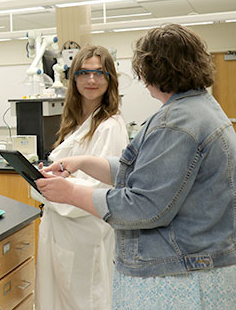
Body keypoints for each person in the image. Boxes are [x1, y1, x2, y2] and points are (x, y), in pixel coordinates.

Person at [37, 24, 236, 309]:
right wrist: (83, 162)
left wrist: (68, 193)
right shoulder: (196, 109)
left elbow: (143, 205)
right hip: (192, 265)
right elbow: (149, 171)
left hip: (180, 276)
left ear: (152, 70)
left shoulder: (178, 124)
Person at [32, 45, 128, 310]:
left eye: (99, 73)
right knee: (57, 297)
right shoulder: (75, 122)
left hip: (85, 233)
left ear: (110, 79)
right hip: (62, 230)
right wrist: (49, 174)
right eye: (84, 73)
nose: (91, 80)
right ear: (73, 78)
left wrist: (50, 187)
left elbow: (100, 189)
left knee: (85, 300)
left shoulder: (110, 126)